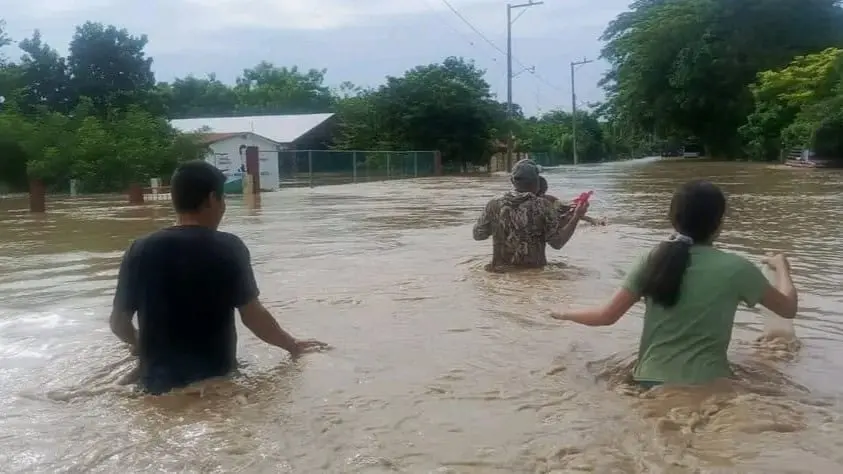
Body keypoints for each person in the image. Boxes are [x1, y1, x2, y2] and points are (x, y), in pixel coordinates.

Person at [550, 180, 798, 388]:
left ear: (672, 219)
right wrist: (782, 267)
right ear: (720, 222)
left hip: (647, 382)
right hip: (710, 385)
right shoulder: (737, 268)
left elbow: (606, 316)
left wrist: (562, 313)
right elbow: (788, 309)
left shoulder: (652, 259)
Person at [109, 160, 327, 395]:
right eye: (223, 200)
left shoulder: (139, 249)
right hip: (215, 381)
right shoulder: (228, 247)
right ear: (213, 199)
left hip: (153, 383)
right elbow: (253, 317)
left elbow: (119, 323)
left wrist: (139, 343)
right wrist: (292, 345)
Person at [473, 159, 588, 270]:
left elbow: (478, 235)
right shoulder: (542, 206)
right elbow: (557, 243)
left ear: (512, 181)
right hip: (533, 275)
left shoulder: (493, 204)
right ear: (536, 182)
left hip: (500, 273)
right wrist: (576, 216)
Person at [537, 176, 606, 226]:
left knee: (571, 214)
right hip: (557, 219)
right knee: (573, 214)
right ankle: (594, 221)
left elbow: (563, 206)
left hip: (554, 219)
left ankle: (594, 221)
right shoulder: (549, 198)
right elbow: (564, 207)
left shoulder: (548, 199)